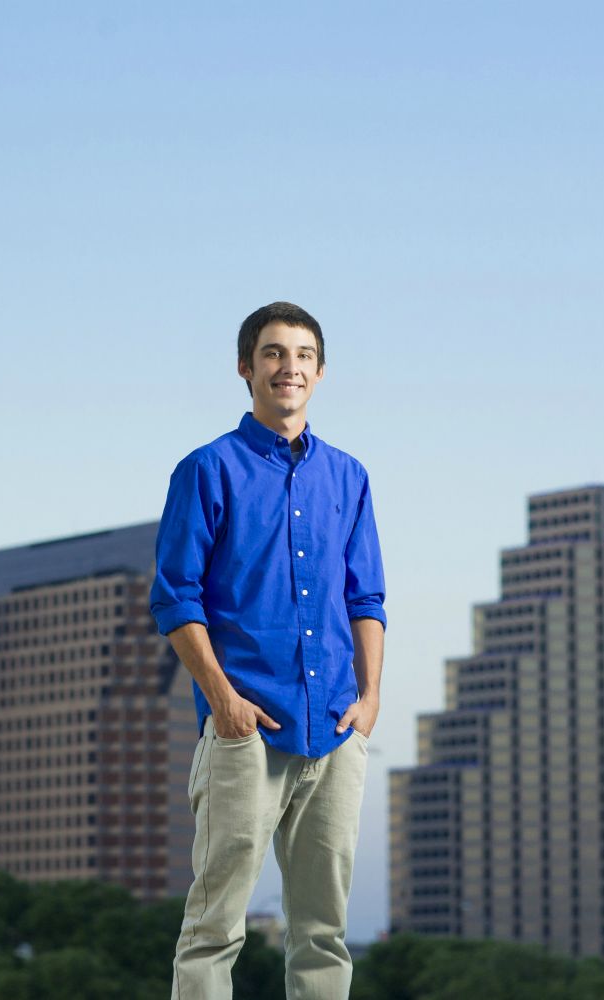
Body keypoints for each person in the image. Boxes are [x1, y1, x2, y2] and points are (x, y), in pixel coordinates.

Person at [150, 301, 387, 999]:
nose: (291, 367)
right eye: (275, 353)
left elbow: (365, 598)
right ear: (246, 368)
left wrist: (369, 701)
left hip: (336, 730)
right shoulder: (207, 469)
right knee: (215, 927)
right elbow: (174, 597)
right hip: (245, 727)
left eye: (304, 355)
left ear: (320, 371)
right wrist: (223, 701)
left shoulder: (349, 477)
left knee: (323, 932)